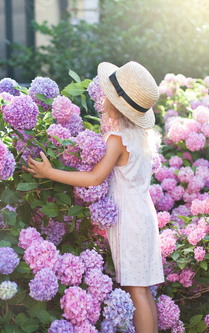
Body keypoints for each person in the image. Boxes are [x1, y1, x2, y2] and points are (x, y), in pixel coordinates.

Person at [24, 61, 165, 333]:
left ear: (114, 104)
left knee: (135, 290)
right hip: (143, 212)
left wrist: (51, 172)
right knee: (143, 289)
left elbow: (94, 178)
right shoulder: (141, 135)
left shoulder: (117, 138)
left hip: (129, 219)